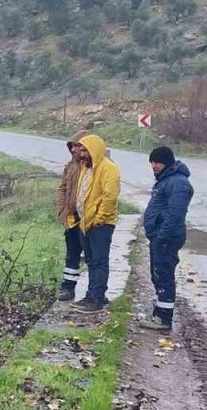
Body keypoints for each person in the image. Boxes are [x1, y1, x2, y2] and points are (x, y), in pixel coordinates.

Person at [140, 146, 194, 332]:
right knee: (158, 274)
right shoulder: (166, 180)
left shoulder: (178, 183)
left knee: (163, 275)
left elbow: (175, 215)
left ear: (167, 163)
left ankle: (163, 320)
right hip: (160, 236)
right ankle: (159, 312)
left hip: (166, 238)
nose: (154, 166)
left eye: (157, 162)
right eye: (152, 162)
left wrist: (162, 236)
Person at [72, 134, 121, 314]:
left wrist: (99, 219)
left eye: (86, 150)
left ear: (95, 150)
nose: (82, 154)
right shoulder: (87, 168)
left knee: (99, 261)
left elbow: (110, 197)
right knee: (91, 261)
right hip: (85, 222)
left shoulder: (109, 169)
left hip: (100, 224)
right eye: (81, 150)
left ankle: (97, 299)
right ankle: (91, 294)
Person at [54, 130, 89, 302]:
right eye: (72, 146)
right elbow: (62, 189)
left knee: (93, 257)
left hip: (89, 221)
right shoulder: (70, 167)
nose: (74, 150)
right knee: (71, 255)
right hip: (72, 219)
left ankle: (95, 292)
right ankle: (68, 288)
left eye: (77, 146)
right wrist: (62, 210)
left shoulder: (93, 166)